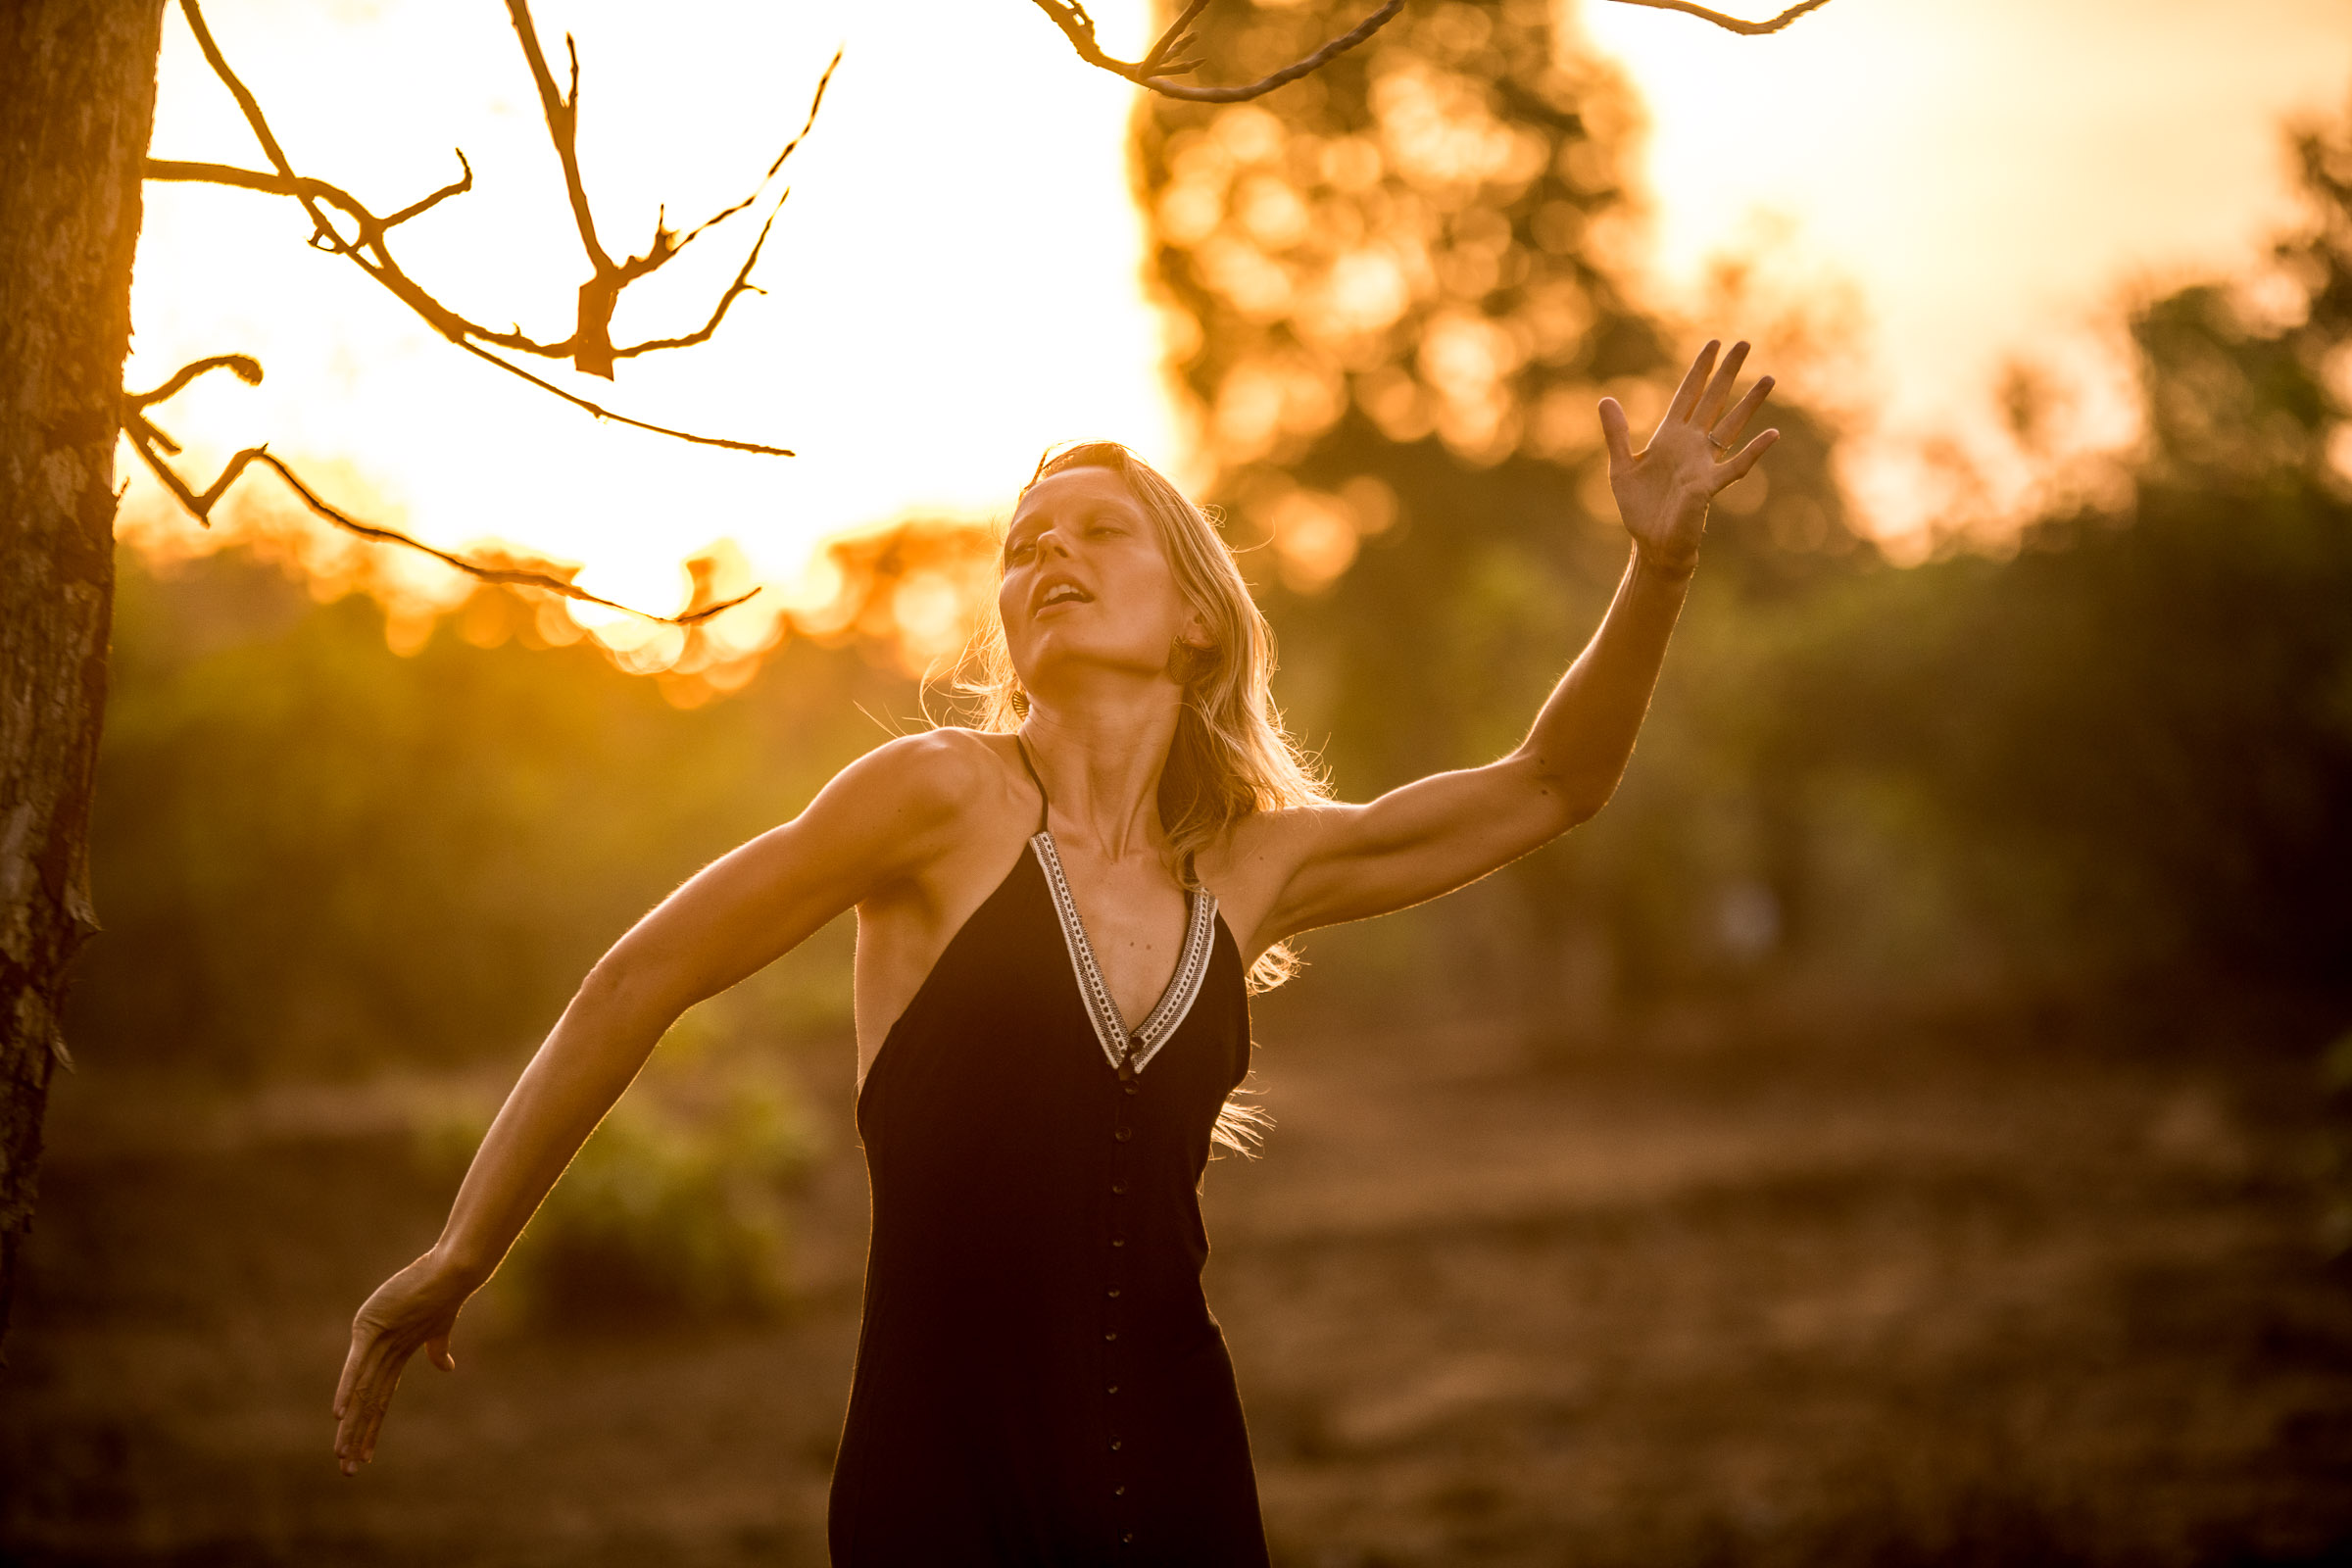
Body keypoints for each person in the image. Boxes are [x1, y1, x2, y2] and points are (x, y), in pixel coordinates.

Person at [332, 339, 1778, 1562]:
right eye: (1026, 549)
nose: (1048, 557)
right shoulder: (934, 801)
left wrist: (1659, 566)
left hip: (1181, 1481)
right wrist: (463, 1249)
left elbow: (1549, 785)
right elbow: (639, 975)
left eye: (1098, 532)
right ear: (1011, 626)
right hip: (938, 1489)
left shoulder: (1257, 865)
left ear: (1200, 620)